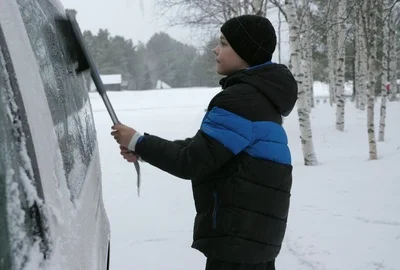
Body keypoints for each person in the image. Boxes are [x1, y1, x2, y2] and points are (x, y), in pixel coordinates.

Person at [111, 14, 298, 270]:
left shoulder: (240, 101)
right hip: (255, 236)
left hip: (238, 239)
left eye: (224, 43)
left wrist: (138, 142)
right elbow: (205, 147)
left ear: (245, 52)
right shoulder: (259, 98)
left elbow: (191, 162)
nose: (215, 48)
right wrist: (141, 146)